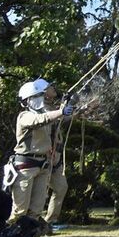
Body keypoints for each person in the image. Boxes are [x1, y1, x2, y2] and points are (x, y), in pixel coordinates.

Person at [9, 80, 73, 227]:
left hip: (43, 165)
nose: (38, 99)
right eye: (34, 97)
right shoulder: (24, 116)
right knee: (19, 211)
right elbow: (41, 119)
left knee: (35, 211)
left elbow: (59, 118)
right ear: (25, 101)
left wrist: (69, 105)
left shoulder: (45, 113)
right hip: (26, 167)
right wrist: (60, 111)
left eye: (39, 96)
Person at [40, 83, 68, 228]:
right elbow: (52, 118)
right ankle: (32, 221)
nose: (53, 88)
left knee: (61, 187)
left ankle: (50, 220)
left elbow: (61, 116)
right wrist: (63, 109)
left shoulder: (51, 107)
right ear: (44, 92)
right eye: (50, 87)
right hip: (46, 155)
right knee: (40, 191)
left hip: (55, 155)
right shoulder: (41, 108)